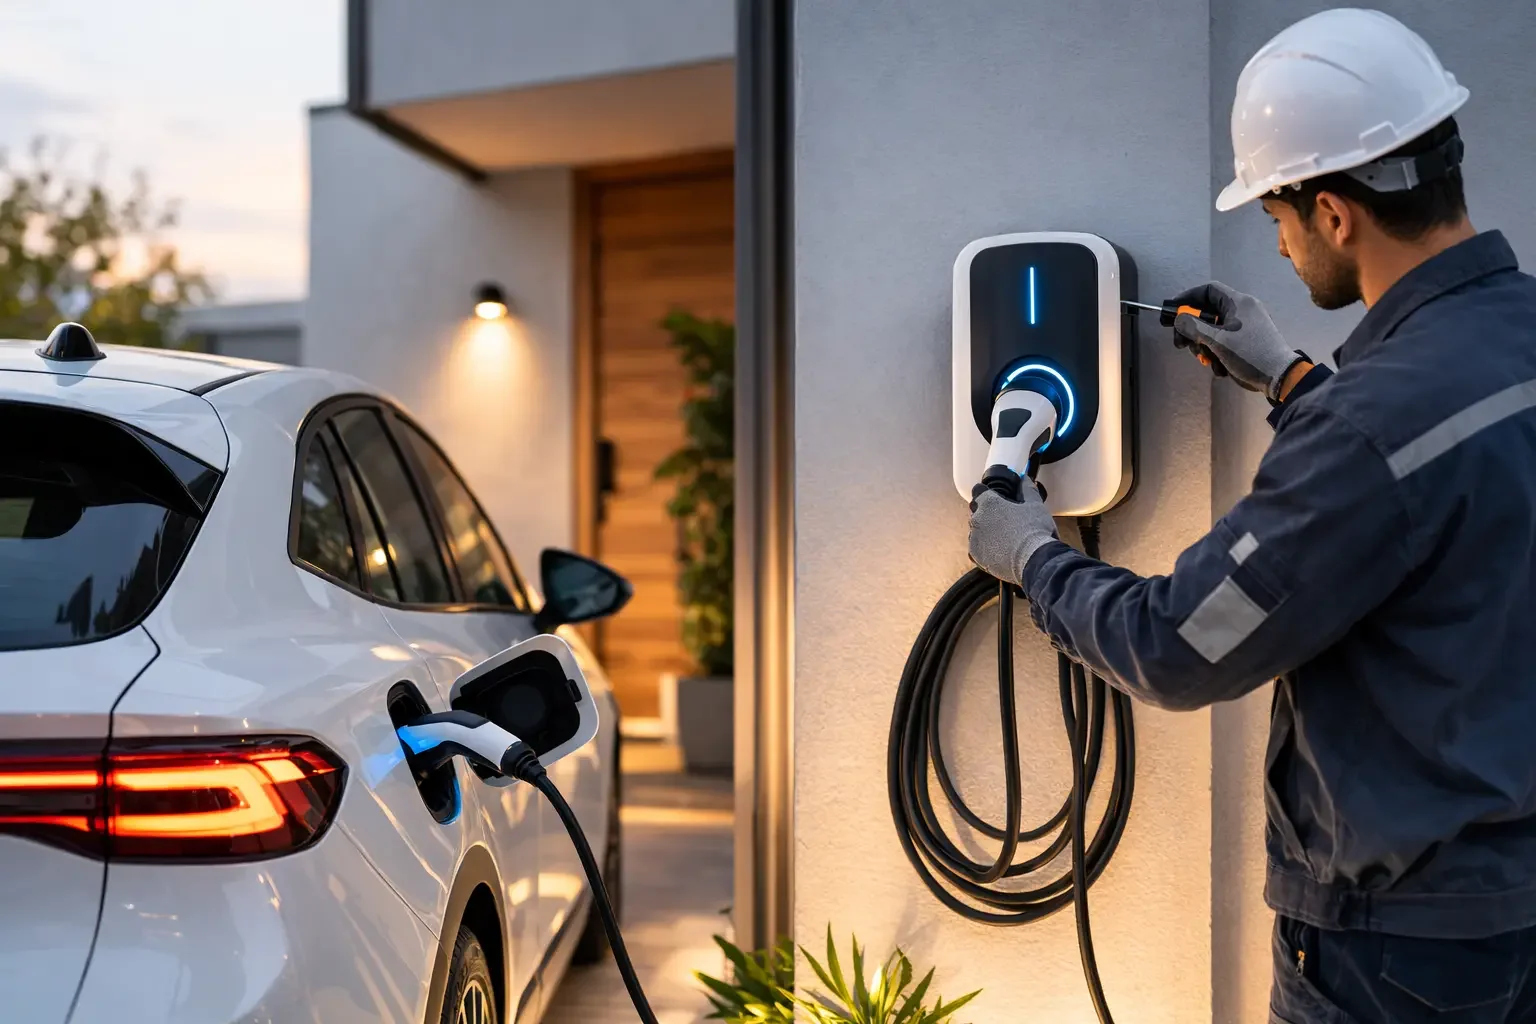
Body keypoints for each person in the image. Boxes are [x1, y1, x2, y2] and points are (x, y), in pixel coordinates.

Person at [967, 9, 1536, 1023]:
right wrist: (1293, 380)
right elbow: (1442, 490)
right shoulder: (1506, 343)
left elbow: (1183, 644)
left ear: (1334, 212)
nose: (1275, 244)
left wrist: (1032, 559)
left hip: (1403, 954)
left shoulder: (1372, 425)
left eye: (1274, 214)